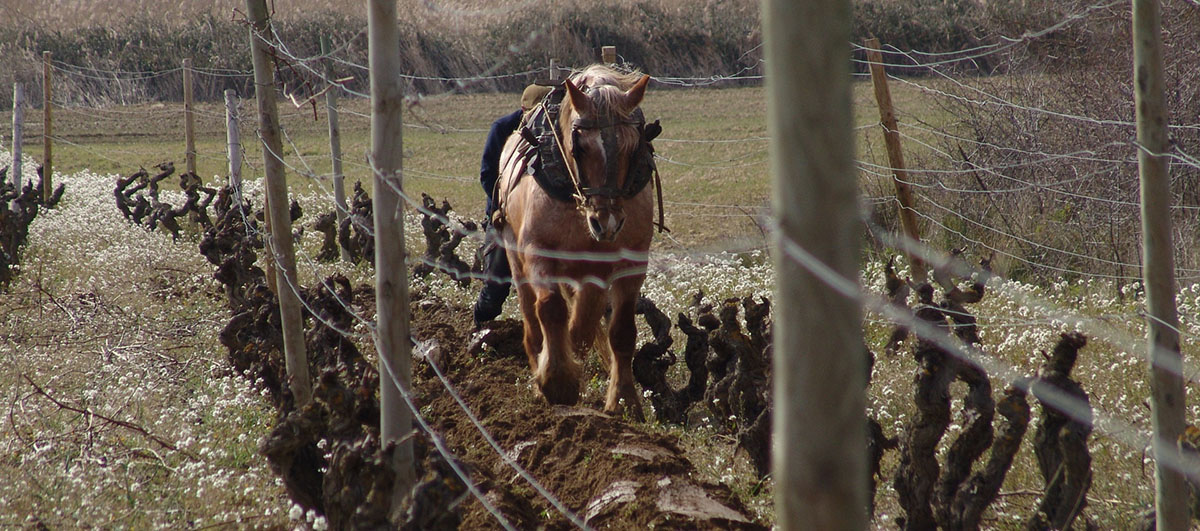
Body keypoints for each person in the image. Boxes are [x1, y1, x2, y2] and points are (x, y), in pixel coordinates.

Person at [474, 83, 553, 326]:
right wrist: (502, 206)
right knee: (497, 283)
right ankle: (481, 327)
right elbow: (487, 174)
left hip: (541, 221)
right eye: (535, 115)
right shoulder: (503, 128)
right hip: (504, 217)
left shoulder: (554, 134)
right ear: (523, 110)